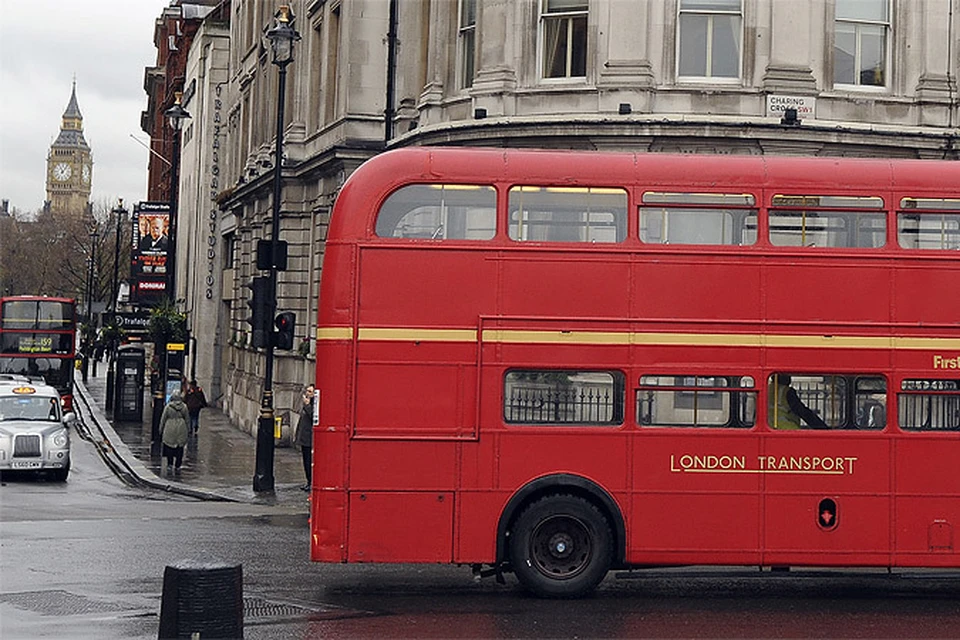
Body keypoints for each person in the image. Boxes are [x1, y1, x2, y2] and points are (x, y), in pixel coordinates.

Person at [159, 389, 190, 476]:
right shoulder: (184, 407)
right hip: (181, 427)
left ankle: (170, 464)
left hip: (170, 427)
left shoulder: (168, 407)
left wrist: (160, 429)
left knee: (169, 446)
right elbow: (187, 419)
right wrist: (188, 430)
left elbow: (163, 419)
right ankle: (178, 465)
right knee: (180, 447)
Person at [295, 384, 315, 491]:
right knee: (305, 461)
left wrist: (307, 405)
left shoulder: (313, 405)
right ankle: (308, 481)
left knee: (309, 461)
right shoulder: (305, 404)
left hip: (310, 438)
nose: (308, 393)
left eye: (311, 391)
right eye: (307, 391)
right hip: (304, 437)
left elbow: (313, 417)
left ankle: (311, 482)